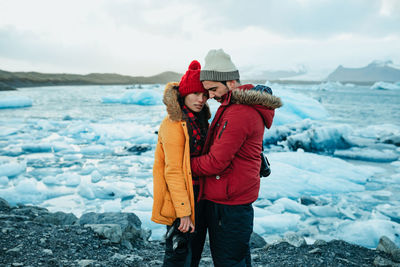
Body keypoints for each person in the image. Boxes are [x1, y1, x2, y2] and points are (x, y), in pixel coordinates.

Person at [190, 49, 283, 267]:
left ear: (231, 82)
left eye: (213, 89)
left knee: (229, 261)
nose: (210, 96)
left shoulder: (239, 112)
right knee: (235, 259)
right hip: (230, 197)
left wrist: (182, 165)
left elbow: (216, 162)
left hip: (229, 203)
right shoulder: (232, 107)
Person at [151, 60, 210, 267]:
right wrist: (183, 212)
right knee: (178, 257)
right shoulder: (173, 124)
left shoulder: (201, 120)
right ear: (184, 93)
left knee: (193, 256)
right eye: (195, 94)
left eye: (204, 95)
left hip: (199, 196)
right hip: (180, 200)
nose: (201, 99)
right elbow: (173, 171)